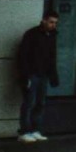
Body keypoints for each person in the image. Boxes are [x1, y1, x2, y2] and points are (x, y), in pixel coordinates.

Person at [16, 9, 60, 143]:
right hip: (32, 74)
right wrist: (26, 76)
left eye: (55, 23)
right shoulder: (32, 34)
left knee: (40, 103)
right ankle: (24, 132)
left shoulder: (51, 35)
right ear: (44, 20)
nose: (54, 25)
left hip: (43, 75)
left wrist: (53, 75)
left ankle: (35, 130)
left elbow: (52, 57)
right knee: (29, 103)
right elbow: (22, 56)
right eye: (51, 22)